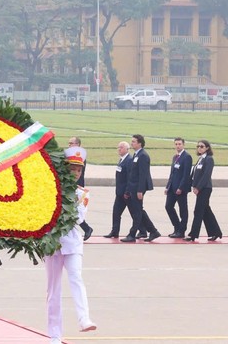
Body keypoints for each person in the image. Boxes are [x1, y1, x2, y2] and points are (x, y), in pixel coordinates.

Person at [45, 147, 97, 344]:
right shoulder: (51, 190)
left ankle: (84, 318)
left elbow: (77, 217)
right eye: (72, 168)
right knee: (53, 290)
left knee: (76, 278)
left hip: (73, 243)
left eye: (78, 170)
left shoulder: (82, 194)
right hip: (52, 244)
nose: (75, 172)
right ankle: (54, 334)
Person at [121, 134, 161, 242]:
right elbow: (133, 174)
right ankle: (153, 231)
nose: (132, 143)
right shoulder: (136, 154)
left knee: (137, 211)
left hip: (138, 188)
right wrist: (128, 189)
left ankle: (132, 234)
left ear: (139, 143)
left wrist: (140, 190)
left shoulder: (143, 156)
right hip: (133, 187)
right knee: (139, 211)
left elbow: (143, 175)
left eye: (134, 141)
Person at [185, 140, 222, 241]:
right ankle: (216, 232)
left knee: (198, 211)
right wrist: (192, 185)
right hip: (200, 188)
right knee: (206, 210)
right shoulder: (201, 159)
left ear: (207, 148)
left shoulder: (209, 159)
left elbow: (206, 175)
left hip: (205, 189)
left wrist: (198, 187)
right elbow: (195, 174)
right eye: (198, 146)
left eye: (202, 146)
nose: (199, 148)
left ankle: (193, 234)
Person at [165, 138, 193, 238]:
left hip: (180, 189)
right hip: (172, 187)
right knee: (168, 206)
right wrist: (168, 186)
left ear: (183, 145)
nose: (178, 146)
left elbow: (186, 175)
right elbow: (172, 173)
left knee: (183, 210)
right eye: (176, 144)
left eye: (179, 144)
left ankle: (181, 231)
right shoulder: (175, 157)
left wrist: (181, 187)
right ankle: (177, 227)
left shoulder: (187, 157)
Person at [104, 142, 132, 238]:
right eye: (118, 147)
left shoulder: (129, 160)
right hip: (119, 193)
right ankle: (115, 231)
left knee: (135, 213)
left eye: (121, 147)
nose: (119, 149)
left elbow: (130, 178)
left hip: (126, 193)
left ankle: (143, 230)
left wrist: (127, 191)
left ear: (127, 149)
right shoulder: (122, 160)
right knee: (116, 212)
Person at [68, 137, 92, 240]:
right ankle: (87, 229)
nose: (69, 145)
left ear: (77, 144)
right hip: (72, 185)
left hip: (76, 185)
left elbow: (77, 173)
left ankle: (87, 229)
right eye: (69, 143)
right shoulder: (72, 155)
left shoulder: (80, 156)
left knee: (76, 211)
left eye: (71, 143)